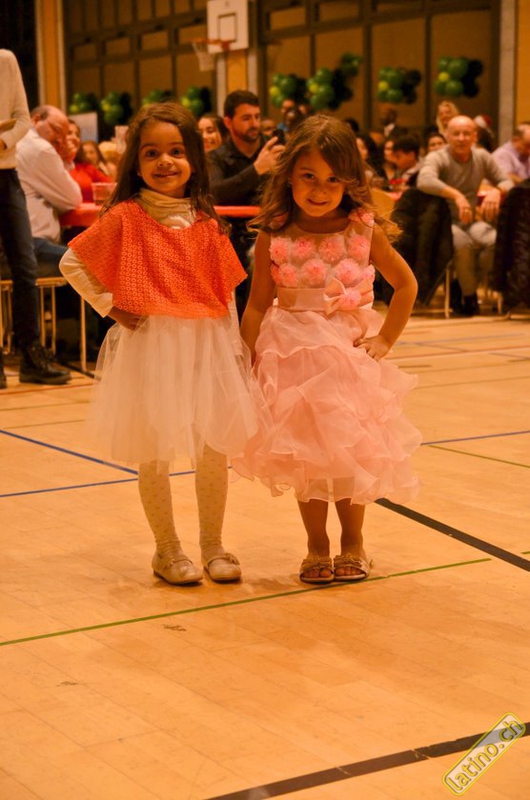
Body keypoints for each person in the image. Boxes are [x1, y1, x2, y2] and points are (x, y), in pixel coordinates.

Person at [59, 102, 256, 586]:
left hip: (206, 346)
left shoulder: (207, 221)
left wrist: (234, 350)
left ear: (194, 160)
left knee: (212, 451)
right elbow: (72, 262)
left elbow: (226, 292)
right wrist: (111, 307)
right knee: (155, 451)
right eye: (152, 153)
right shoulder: (127, 216)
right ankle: (166, 550)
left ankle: (213, 546)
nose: (165, 161)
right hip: (152, 348)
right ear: (136, 162)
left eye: (176, 151)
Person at [232, 116, 420, 584]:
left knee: (347, 451)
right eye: (309, 177)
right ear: (289, 177)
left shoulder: (363, 229)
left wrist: (384, 338)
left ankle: (353, 542)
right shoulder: (274, 232)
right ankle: (316, 545)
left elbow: (406, 285)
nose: (320, 190)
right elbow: (256, 305)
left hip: (346, 358)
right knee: (307, 456)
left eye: (333, 179)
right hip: (290, 356)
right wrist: (244, 358)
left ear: (350, 181)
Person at [0, 49, 70, 387]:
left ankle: (31, 353)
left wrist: (3, 141)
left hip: (6, 173)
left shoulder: (6, 60)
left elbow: (22, 119)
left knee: (25, 267)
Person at [417, 115, 513, 315]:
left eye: (466, 133)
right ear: (447, 136)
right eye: (456, 134)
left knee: (497, 242)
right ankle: (470, 297)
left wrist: (497, 191)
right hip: (444, 222)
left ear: (474, 137)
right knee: (463, 245)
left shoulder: (482, 157)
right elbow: (424, 180)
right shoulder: (438, 157)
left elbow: (507, 182)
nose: (461, 138)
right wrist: (457, 195)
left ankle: (462, 282)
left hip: (470, 221)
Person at [208, 90, 284, 316]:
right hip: (229, 234)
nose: (254, 124)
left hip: (271, 230)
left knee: (260, 258)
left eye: (257, 117)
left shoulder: (275, 150)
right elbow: (214, 193)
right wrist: (257, 169)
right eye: (246, 118)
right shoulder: (216, 157)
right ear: (228, 122)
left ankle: (261, 323)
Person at [16, 104, 82, 270]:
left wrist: (64, 160)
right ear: (36, 120)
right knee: (90, 265)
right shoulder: (39, 148)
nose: (60, 140)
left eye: (64, 135)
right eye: (56, 130)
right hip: (30, 244)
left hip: (17, 243)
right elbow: (73, 199)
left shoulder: (19, 141)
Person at [65, 120, 112, 202]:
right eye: (69, 133)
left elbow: (111, 186)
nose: (74, 137)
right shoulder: (51, 164)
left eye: (77, 135)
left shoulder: (86, 167)